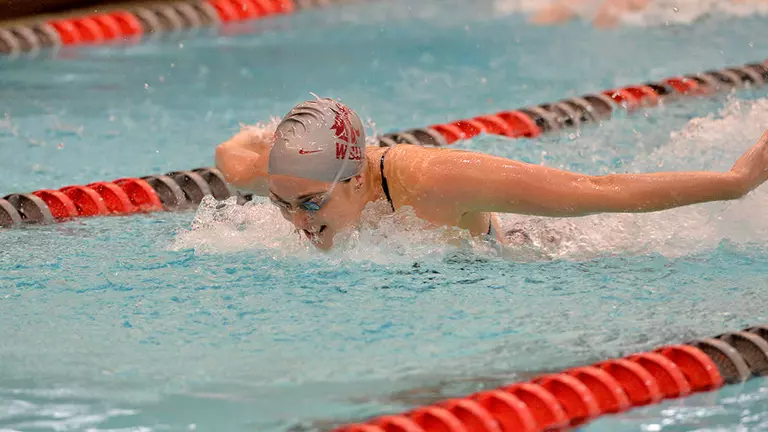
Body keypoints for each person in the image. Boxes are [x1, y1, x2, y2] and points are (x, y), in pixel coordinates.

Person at [214, 97, 768, 250]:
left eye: (309, 205)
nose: (295, 223)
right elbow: (232, 155)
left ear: (356, 178)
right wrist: (269, 142)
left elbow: (602, 192)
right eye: (280, 204)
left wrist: (737, 180)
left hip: (533, 250)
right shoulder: (294, 177)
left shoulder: (437, 180)